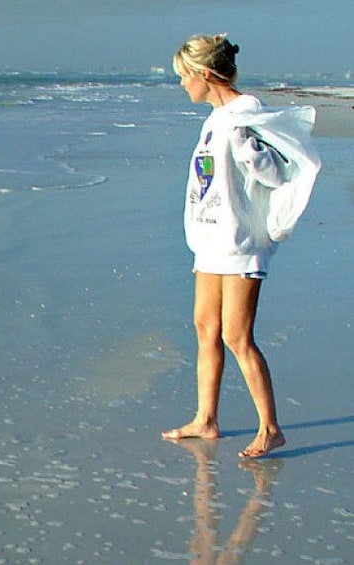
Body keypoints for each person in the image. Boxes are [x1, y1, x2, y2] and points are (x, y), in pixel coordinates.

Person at [161, 33, 320, 458]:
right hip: (211, 242)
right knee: (205, 329)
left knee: (236, 335)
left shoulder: (244, 116)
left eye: (184, 77)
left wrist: (252, 153)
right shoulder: (215, 119)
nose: (181, 85)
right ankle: (206, 419)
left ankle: (270, 428)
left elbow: (276, 174)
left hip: (241, 243)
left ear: (204, 74)